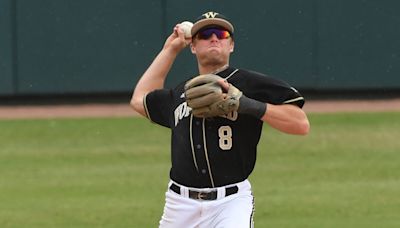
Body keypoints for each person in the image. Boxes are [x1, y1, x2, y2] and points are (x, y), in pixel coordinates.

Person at [130, 11, 310, 228]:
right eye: (205, 34)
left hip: (230, 203)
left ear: (231, 45)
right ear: (193, 47)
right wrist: (170, 49)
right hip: (179, 205)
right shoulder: (182, 92)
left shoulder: (250, 84)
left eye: (221, 34)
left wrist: (247, 104)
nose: (214, 38)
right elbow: (139, 100)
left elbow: (300, 124)